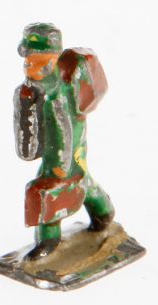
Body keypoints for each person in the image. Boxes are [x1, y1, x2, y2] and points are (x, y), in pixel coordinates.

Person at [15, 23, 114, 260]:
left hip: (68, 151)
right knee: (82, 181)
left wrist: (61, 166)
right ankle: (104, 212)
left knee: (54, 187)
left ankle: (49, 239)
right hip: (58, 154)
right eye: (28, 61)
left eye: (39, 61)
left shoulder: (60, 89)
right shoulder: (30, 91)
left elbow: (65, 131)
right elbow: (27, 143)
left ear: (54, 59)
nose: (30, 67)